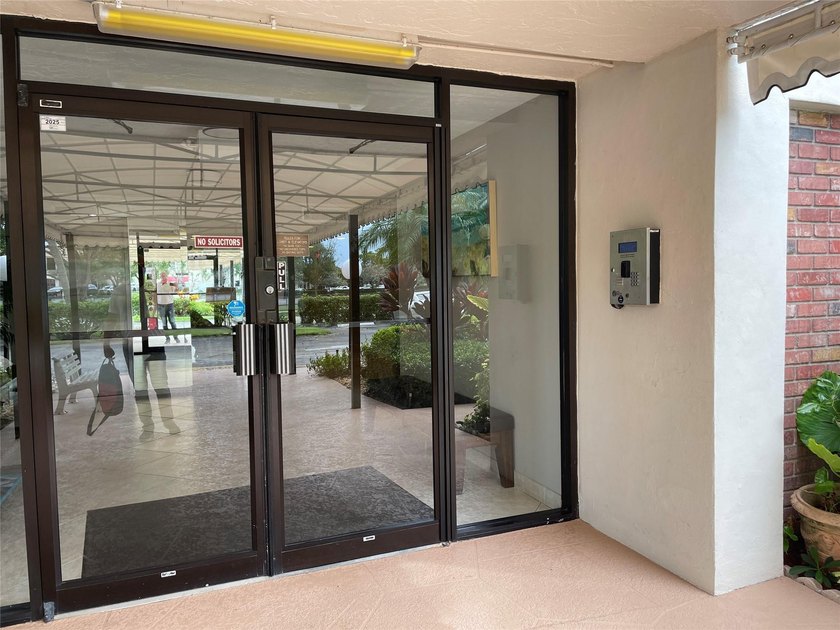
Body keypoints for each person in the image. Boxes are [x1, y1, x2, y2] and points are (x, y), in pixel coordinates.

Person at [156, 271, 179, 342]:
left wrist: (177, 286)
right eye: (162, 276)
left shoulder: (170, 284)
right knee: (164, 323)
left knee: (172, 321)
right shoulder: (157, 284)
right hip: (161, 305)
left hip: (169, 305)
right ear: (160, 276)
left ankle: (176, 337)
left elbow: (176, 291)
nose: (163, 277)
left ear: (167, 276)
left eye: (164, 275)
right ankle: (167, 338)